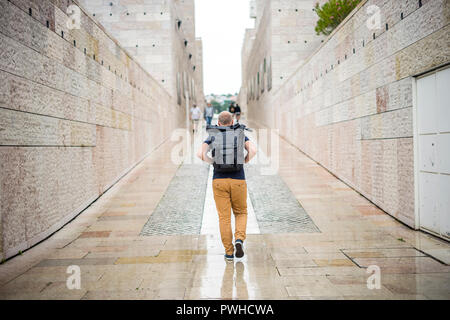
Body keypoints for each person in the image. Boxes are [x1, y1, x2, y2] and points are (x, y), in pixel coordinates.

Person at [197, 111, 257, 262]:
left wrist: (213, 163)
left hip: (219, 180)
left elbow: (200, 154)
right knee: (241, 212)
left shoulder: (213, 135)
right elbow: (253, 150)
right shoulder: (240, 133)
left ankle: (229, 252)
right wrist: (245, 161)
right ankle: (239, 239)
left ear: (218, 123)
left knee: (224, 218)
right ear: (232, 122)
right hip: (238, 180)